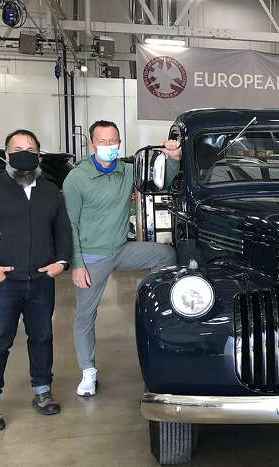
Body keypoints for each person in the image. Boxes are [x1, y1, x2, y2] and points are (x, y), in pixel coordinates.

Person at [0, 129, 72, 432]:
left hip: (40, 281)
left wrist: (61, 262)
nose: (24, 152)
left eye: (31, 148)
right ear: (6, 153)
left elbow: (62, 230)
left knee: (42, 338)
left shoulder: (50, 191)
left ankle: (42, 391)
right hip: (3, 284)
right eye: (17, 147)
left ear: (38, 154)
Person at [63, 120, 181, 397]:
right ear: (92, 145)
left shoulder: (128, 171)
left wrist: (172, 158)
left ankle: (150, 298)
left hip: (121, 249)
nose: (108, 146)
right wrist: (77, 264)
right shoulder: (77, 179)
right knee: (84, 315)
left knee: (166, 254)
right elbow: (70, 225)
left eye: (113, 141)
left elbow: (162, 180)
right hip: (92, 256)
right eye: (102, 142)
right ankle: (88, 372)